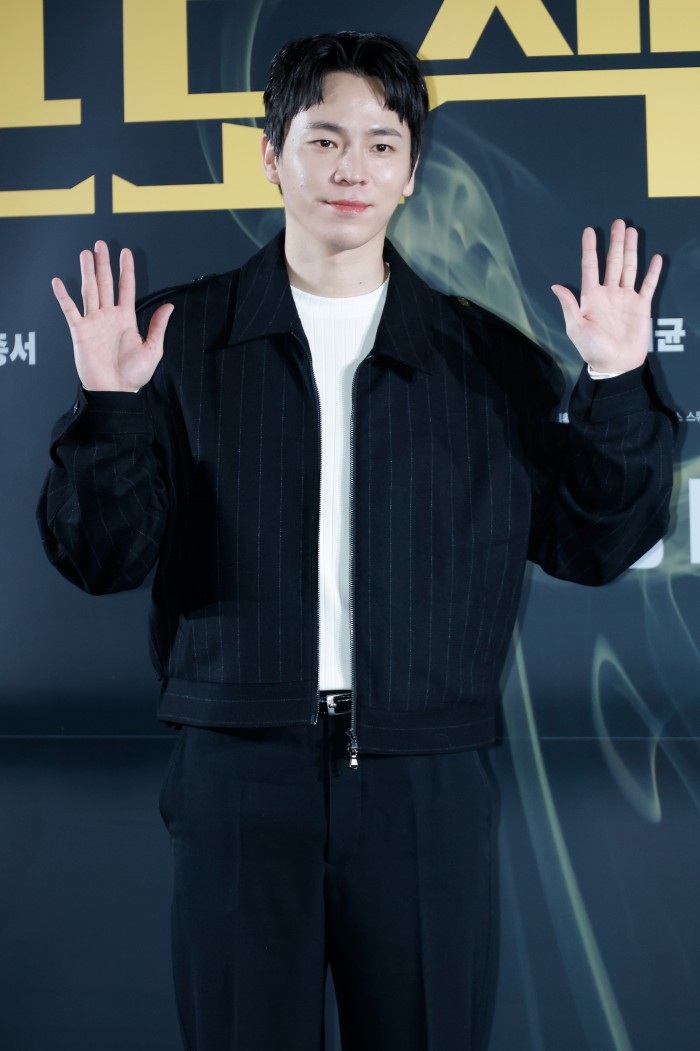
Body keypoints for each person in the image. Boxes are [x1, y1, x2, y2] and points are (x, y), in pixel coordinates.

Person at [38, 31, 675, 1051]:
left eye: (382, 144)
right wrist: (112, 406)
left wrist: (618, 383)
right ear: (271, 154)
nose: (352, 168)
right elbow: (100, 557)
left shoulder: (488, 360)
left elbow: (594, 544)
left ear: (412, 170)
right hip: (237, 773)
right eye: (324, 138)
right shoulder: (171, 341)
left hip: (427, 779)